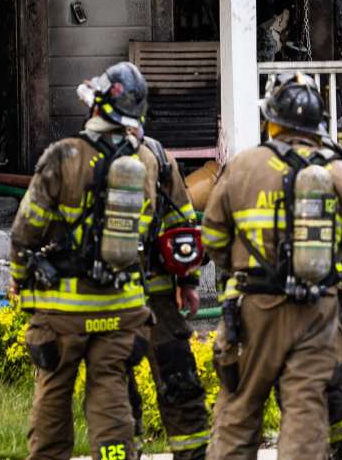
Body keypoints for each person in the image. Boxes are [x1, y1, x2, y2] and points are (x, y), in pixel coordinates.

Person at [201, 72, 342, 460]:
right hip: (318, 313)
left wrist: (236, 275)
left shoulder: (243, 167)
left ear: (272, 119)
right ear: (319, 125)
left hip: (253, 310)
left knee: (239, 408)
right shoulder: (340, 175)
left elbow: (212, 237)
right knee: (305, 415)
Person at [10, 61, 156, 460]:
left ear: (97, 107)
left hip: (64, 311)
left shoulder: (63, 156)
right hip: (122, 307)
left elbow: (26, 231)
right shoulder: (145, 161)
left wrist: (21, 278)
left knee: (54, 395)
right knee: (111, 396)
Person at [131, 133, 210, 460]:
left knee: (117, 390)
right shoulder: (157, 155)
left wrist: (188, 280)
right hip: (138, 295)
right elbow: (182, 225)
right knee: (173, 382)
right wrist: (188, 281)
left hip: (130, 295)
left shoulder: (74, 155)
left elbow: (182, 228)